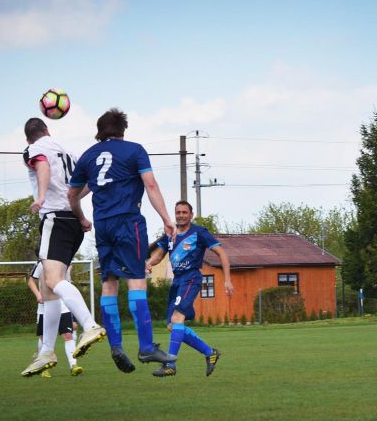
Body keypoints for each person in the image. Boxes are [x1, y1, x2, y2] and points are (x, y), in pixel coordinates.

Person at [68, 108, 177, 374]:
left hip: (102, 226)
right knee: (137, 282)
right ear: (122, 130)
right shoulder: (134, 150)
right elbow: (150, 185)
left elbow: (72, 195)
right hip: (128, 223)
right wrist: (166, 218)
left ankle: (116, 347)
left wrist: (82, 219)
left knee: (109, 285)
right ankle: (146, 346)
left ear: (99, 131)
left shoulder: (88, 156)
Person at [20, 117, 106, 377]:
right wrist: (78, 209)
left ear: (28, 138)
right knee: (48, 289)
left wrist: (42, 196)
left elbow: (43, 167)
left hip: (55, 219)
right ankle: (46, 350)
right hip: (72, 222)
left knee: (54, 281)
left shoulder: (35, 150)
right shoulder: (70, 152)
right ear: (48, 130)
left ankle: (90, 325)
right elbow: (88, 182)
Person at [144, 200, 233, 377]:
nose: (181, 215)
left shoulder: (199, 233)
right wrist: (148, 263)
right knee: (172, 325)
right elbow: (160, 254)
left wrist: (227, 280)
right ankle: (210, 353)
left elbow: (221, 253)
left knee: (177, 319)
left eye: (185, 212)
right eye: (178, 212)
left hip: (191, 278)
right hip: (177, 281)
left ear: (191, 215)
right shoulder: (170, 233)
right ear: (175, 214)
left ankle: (170, 365)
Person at [27, 262, 83, 376]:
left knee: (68, 335)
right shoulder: (41, 263)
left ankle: (73, 365)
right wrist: (38, 295)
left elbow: (67, 283)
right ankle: (43, 367)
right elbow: (31, 281)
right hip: (45, 306)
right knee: (44, 339)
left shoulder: (64, 262)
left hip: (63, 307)